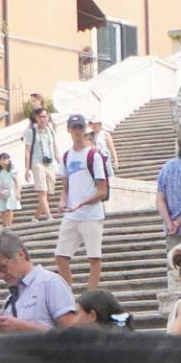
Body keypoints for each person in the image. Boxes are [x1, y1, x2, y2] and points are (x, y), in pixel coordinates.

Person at [54, 113, 112, 293]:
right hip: (72, 214)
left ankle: (90, 297)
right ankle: (68, 294)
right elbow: (65, 186)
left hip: (91, 214)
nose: (77, 131)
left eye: (80, 127)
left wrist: (82, 202)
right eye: (74, 127)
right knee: (61, 256)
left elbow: (101, 190)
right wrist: (63, 201)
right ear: (69, 130)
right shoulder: (66, 156)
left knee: (94, 257)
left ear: (84, 129)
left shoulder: (93, 155)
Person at [0, 230, 80, 331]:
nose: (1, 275)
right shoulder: (9, 301)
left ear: (21, 254)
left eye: (3, 267)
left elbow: (72, 335)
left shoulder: (50, 283)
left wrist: (26, 328)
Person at [24, 105, 59, 219]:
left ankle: (36, 217)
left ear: (48, 117)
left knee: (49, 193)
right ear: (37, 118)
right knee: (42, 192)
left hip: (50, 163)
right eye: (41, 117)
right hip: (37, 163)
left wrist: (61, 162)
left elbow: (55, 148)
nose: (43, 119)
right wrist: (27, 169)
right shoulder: (31, 132)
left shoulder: (51, 131)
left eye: (45, 116)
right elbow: (28, 151)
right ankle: (49, 216)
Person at [0, 151, 23, 229]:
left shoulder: (12, 171)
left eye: (4, 159)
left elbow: (17, 182)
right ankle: (4, 224)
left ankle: (9, 224)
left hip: (11, 191)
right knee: (2, 209)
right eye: (1, 160)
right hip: (2, 191)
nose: (2, 161)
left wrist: (18, 193)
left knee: (9, 208)